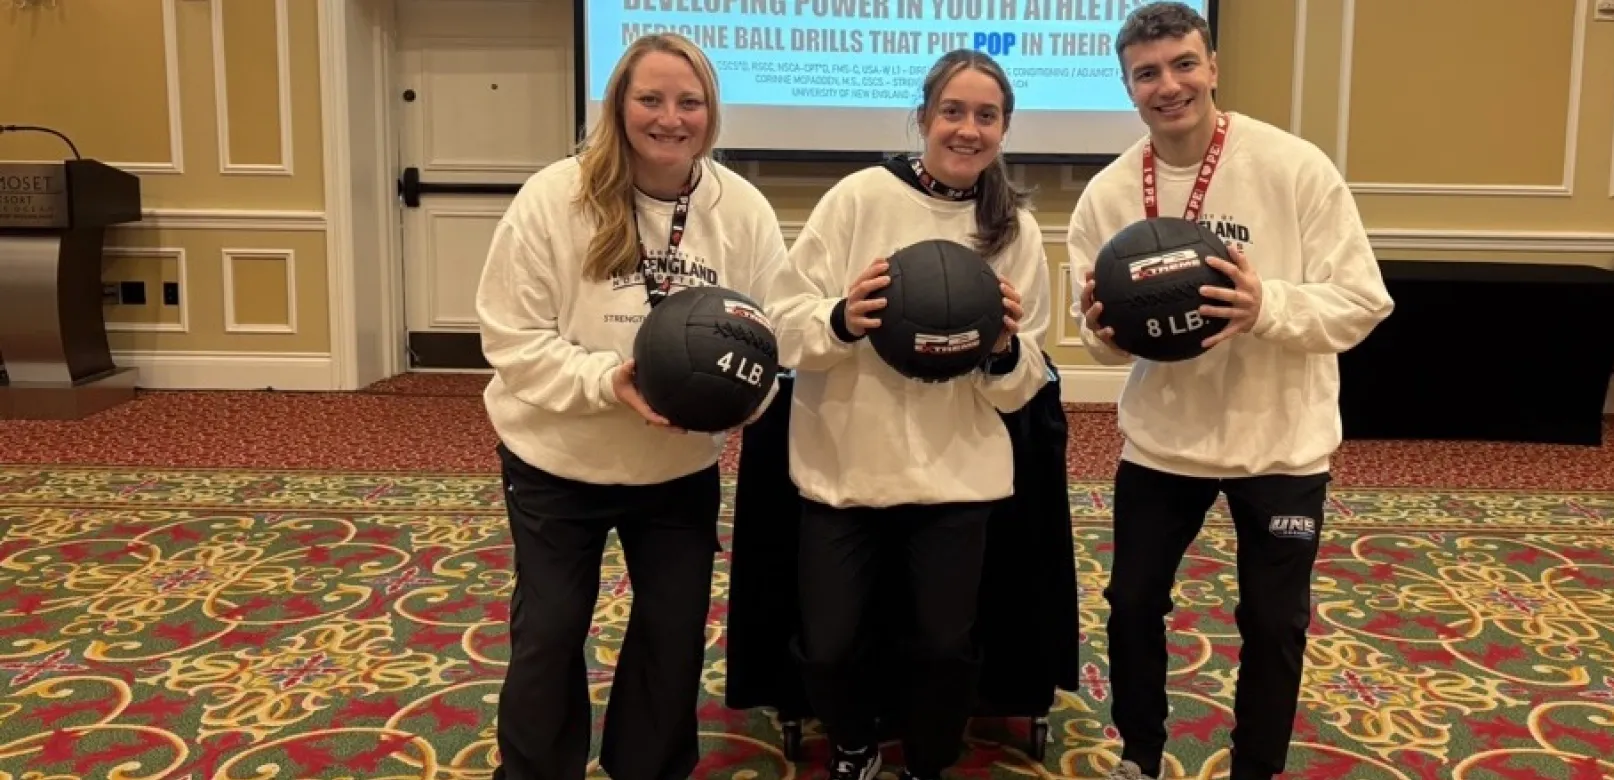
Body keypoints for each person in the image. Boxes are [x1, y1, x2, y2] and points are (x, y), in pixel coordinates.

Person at [472, 32, 847, 780]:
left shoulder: (739, 208)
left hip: (676, 467)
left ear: (711, 112)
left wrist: (739, 402)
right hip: (556, 459)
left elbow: (770, 330)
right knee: (549, 630)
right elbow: (511, 340)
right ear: (619, 105)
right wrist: (608, 381)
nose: (670, 118)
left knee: (672, 635)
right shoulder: (554, 198)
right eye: (650, 99)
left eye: (689, 102)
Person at [1066, 4, 1396, 779]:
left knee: (1275, 622)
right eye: (1147, 73)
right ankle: (1140, 754)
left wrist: (1264, 306)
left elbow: (1363, 301)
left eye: (1184, 64)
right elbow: (1096, 338)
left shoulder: (1295, 168)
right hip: (1165, 442)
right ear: (1128, 87)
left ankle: (1257, 768)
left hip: (1281, 442)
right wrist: (1105, 335)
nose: (1169, 85)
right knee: (1132, 605)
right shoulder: (1108, 195)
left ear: (1213, 66)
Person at [783, 48, 1054, 780]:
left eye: (987, 116)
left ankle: (928, 761)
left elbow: (1025, 382)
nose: (968, 129)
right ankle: (853, 745)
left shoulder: (1016, 230)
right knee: (830, 645)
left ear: (1004, 129)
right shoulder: (857, 199)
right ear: (924, 117)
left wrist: (1002, 350)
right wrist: (840, 319)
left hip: (956, 477)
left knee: (942, 645)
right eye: (953, 112)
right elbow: (781, 323)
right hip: (845, 469)